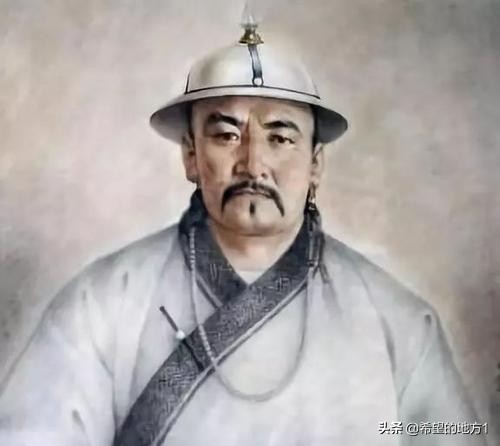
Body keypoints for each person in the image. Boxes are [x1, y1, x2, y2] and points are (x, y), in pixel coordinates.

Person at [0, 18, 486, 446]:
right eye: (227, 135)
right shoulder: (101, 303)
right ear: (191, 155)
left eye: (280, 137)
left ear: (315, 163)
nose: (253, 163)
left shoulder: (397, 321)